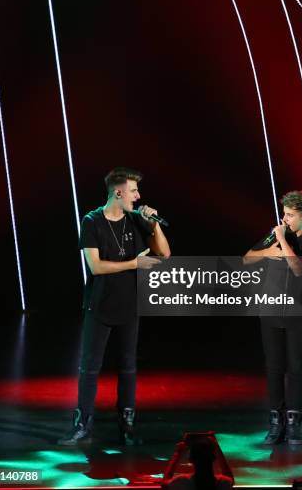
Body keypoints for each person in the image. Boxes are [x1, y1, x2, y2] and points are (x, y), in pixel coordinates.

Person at [58, 167, 171, 446]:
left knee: (128, 367)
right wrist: (135, 263)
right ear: (118, 192)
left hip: (130, 305)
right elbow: (95, 267)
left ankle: (127, 426)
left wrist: (152, 223)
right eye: (134, 191)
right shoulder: (92, 221)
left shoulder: (136, 220)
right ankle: (83, 426)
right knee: (90, 368)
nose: (138, 196)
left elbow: (165, 254)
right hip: (100, 305)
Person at [244, 190, 302, 446]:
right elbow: (246, 258)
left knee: (295, 368)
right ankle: (275, 422)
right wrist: (269, 251)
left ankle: (293, 426)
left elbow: (298, 268)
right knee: (273, 367)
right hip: (270, 308)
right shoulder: (276, 235)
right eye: (284, 214)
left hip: (299, 313)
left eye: (290, 215)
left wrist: (283, 243)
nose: (285, 219)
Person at [162, 435, 234, 490]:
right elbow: (230, 479)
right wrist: (217, 446)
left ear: (190, 459)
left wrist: (177, 453)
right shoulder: (223, 483)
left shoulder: (182, 482)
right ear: (214, 458)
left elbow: (165, 484)